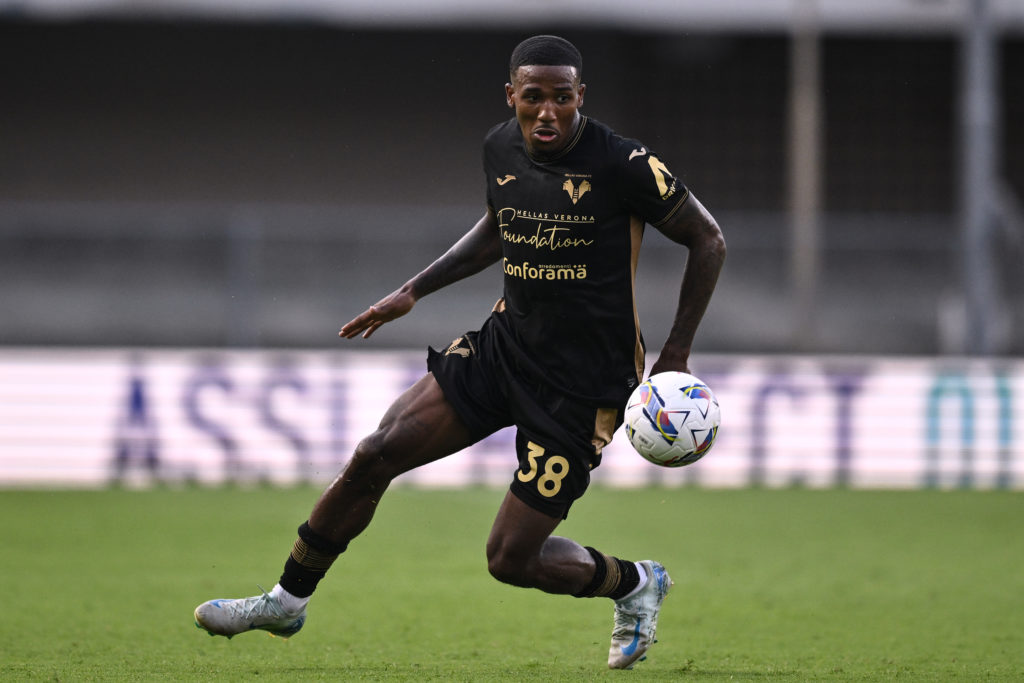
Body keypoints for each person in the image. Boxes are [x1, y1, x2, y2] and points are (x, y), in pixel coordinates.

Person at [194, 34, 726, 670]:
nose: (548, 112)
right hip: (505, 350)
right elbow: (498, 229)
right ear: (512, 97)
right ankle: (286, 599)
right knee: (375, 453)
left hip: (582, 388)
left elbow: (709, 239)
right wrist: (413, 290)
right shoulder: (499, 146)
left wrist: (675, 355)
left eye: (563, 98)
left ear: (581, 96)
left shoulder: (623, 164)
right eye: (534, 98)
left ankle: (635, 583)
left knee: (510, 560)